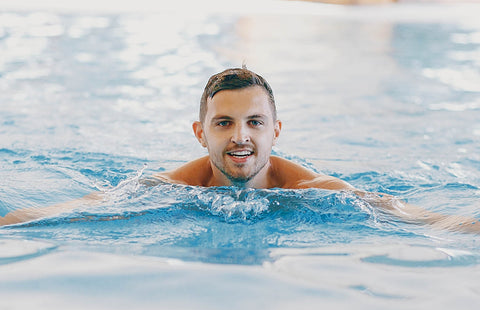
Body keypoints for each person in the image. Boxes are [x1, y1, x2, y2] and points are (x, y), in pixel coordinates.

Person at [1, 67, 479, 233]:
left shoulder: (317, 189)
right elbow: (78, 210)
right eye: (224, 123)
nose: (240, 137)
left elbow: (407, 215)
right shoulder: (166, 187)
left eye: (254, 122)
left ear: (275, 131)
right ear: (200, 132)